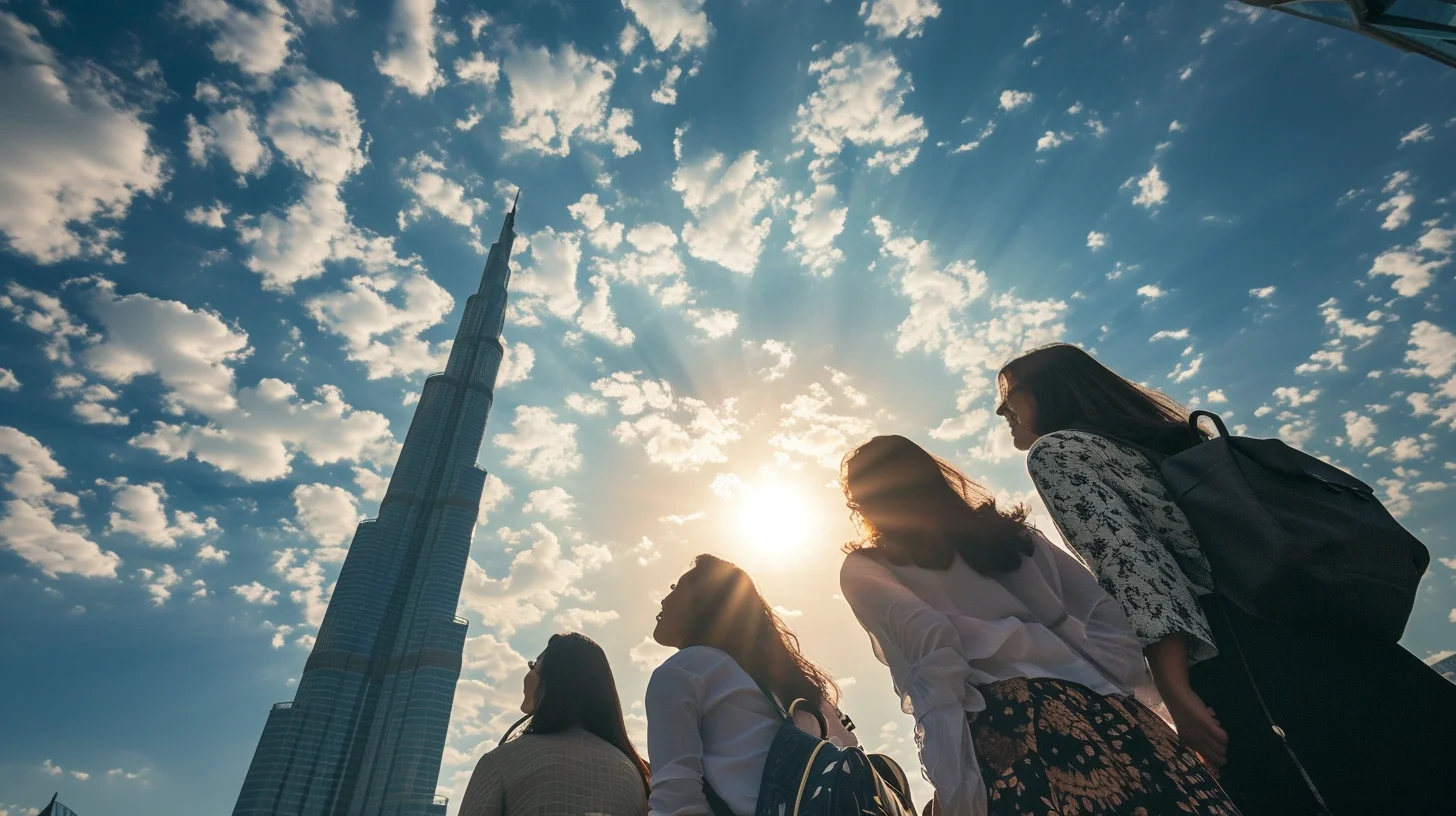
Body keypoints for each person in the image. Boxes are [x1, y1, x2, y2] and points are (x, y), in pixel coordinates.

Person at [1000, 342, 1456, 814]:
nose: (1002, 410)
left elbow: (1138, 573)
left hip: (1242, 656)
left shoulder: (1057, 452)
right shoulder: (1168, 442)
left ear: (1051, 391)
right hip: (1324, 633)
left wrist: (1176, 693)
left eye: (1010, 395)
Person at [838, 434, 1238, 816]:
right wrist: (1104, 683)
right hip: (1108, 711)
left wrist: (956, 784)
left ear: (862, 504)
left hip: (1006, 723)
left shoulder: (868, 569)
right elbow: (1105, 612)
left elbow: (934, 653)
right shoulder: (1014, 537)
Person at [645, 553, 857, 816]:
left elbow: (675, 802)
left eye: (676, 587)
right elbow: (852, 751)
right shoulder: (798, 688)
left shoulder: (682, 671)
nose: (664, 598)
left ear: (705, 601)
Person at [458, 632, 649, 816]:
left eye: (533, 666)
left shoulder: (501, 761)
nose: (528, 674)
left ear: (553, 679)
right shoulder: (634, 773)